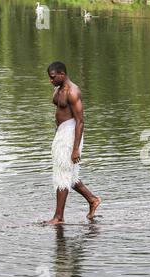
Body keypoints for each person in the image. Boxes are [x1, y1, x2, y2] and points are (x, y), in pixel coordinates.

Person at [46, 61, 101, 224]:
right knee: (69, 175)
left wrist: (76, 148)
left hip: (70, 135)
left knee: (62, 174)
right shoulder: (58, 88)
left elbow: (80, 121)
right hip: (62, 133)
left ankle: (59, 217)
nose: (51, 81)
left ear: (62, 74)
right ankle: (92, 200)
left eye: (53, 77)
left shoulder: (73, 91)